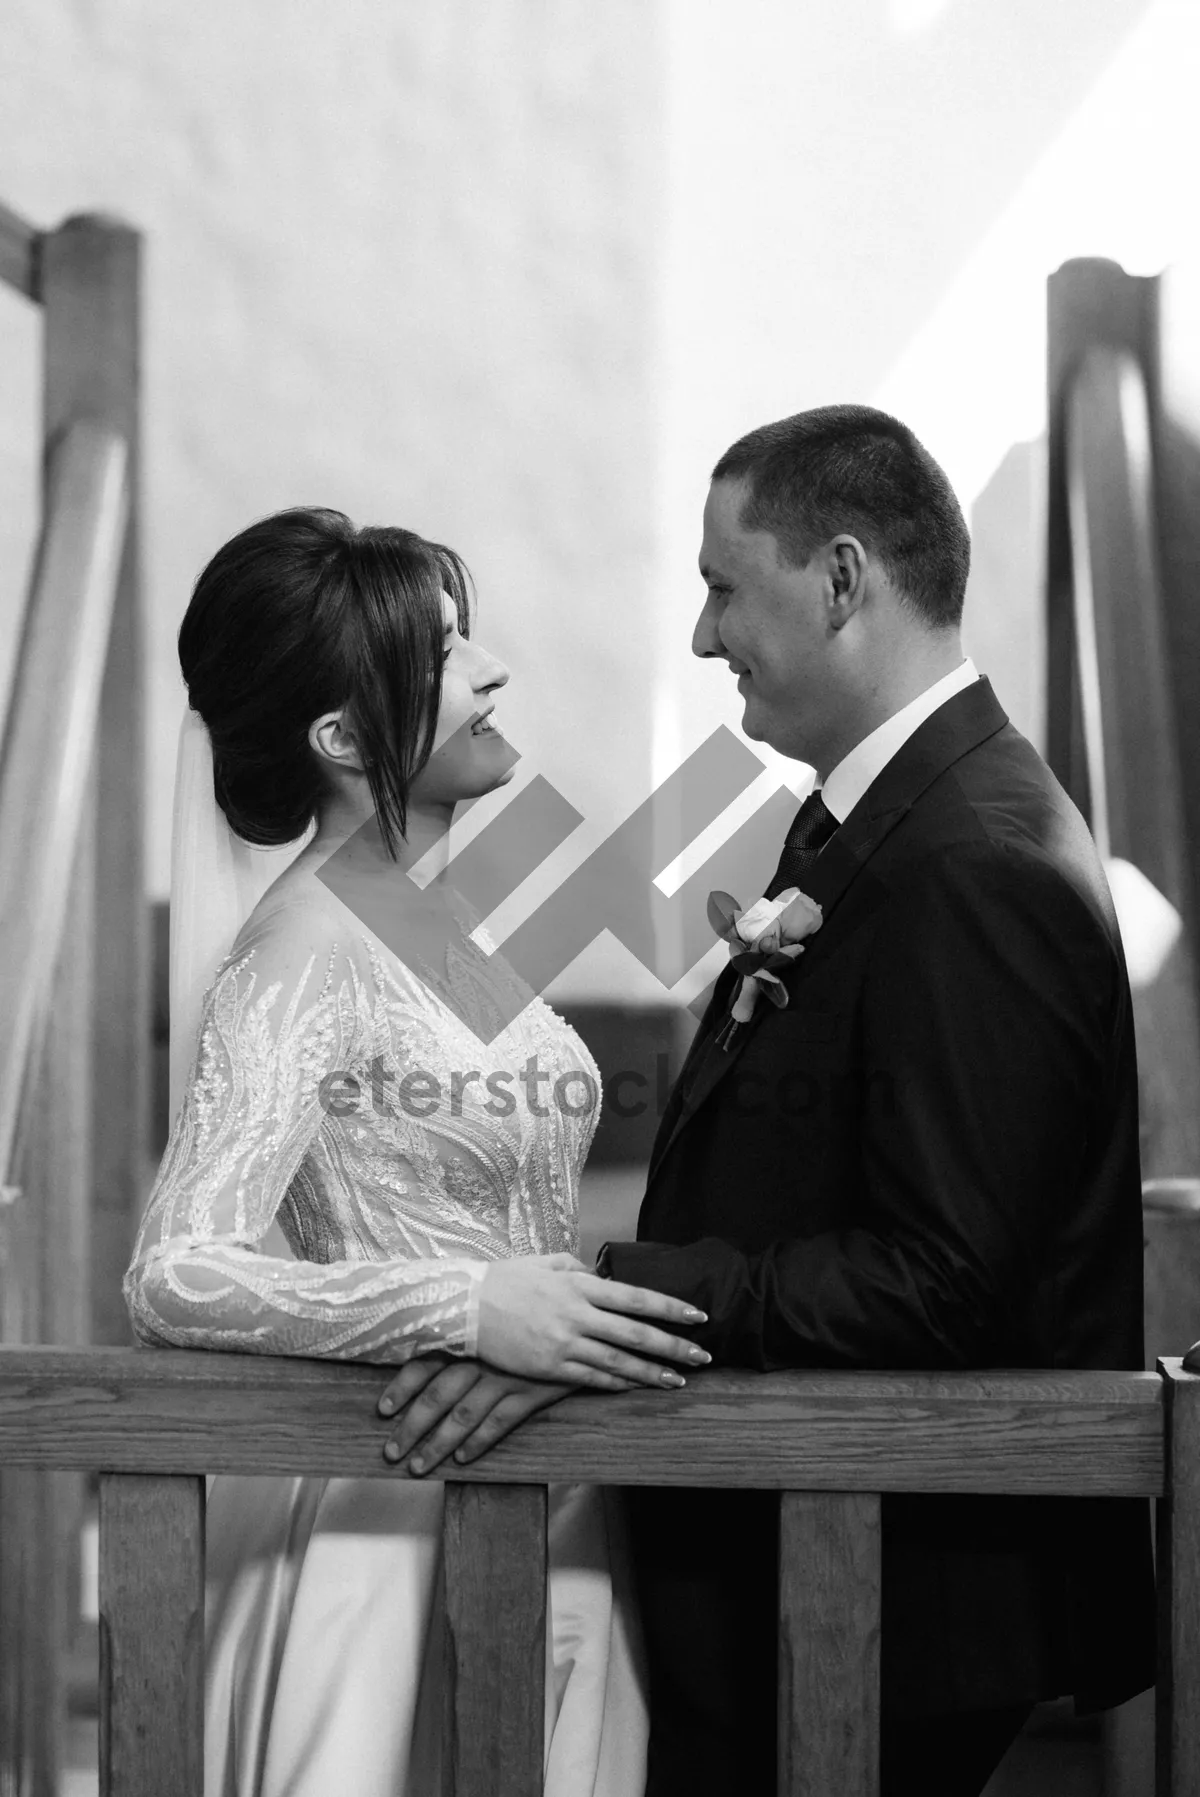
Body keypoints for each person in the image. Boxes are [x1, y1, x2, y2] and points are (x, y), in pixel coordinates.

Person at [378, 407, 1157, 1796]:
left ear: (843, 578)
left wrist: (615, 1289)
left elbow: (942, 1281)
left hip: (888, 1589)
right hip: (803, 1556)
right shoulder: (905, 812)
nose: (701, 636)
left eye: (723, 587)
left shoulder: (975, 858)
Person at [123, 507, 709, 1797]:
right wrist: (462, 1301)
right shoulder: (302, 949)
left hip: (549, 1470)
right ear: (341, 737)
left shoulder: (420, 919)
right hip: (403, 1504)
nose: (491, 668)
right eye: (445, 654)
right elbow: (177, 1271)